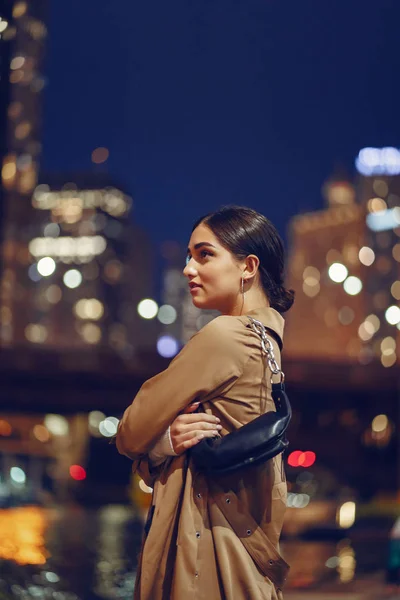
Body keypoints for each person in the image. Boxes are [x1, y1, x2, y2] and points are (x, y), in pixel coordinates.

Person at [116, 206, 295, 600]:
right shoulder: (269, 340)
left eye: (204, 254)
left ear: (248, 266)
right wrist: (168, 442)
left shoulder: (225, 336)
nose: (187, 268)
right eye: (188, 255)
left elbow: (129, 433)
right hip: (246, 557)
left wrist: (159, 444)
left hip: (207, 561)